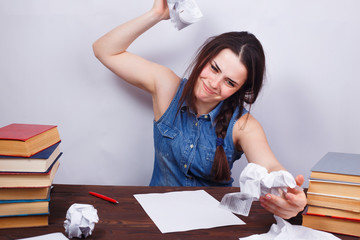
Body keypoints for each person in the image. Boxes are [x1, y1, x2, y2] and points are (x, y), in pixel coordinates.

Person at [93, 0, 306, 219]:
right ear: (204, 58)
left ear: (239, 90)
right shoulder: (167, 87)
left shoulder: (243, 125)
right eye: (214, 69)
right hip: (157, 215)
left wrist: (289, 194)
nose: (214, 83)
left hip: (214, 222)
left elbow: (270, 166)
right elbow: (104, 50)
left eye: (229, 83)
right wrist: (156, 14)